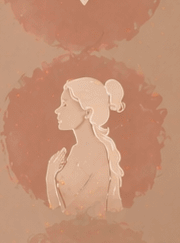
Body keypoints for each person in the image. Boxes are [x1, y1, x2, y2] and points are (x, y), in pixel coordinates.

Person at [45, 77, 125, 216]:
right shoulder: (76, 150)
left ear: (87, 112)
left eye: (65, 104)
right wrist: (50, 175)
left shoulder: (98, 153)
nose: (57, 110)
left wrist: (50, 177)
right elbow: (62, 211)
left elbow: (70, 218)